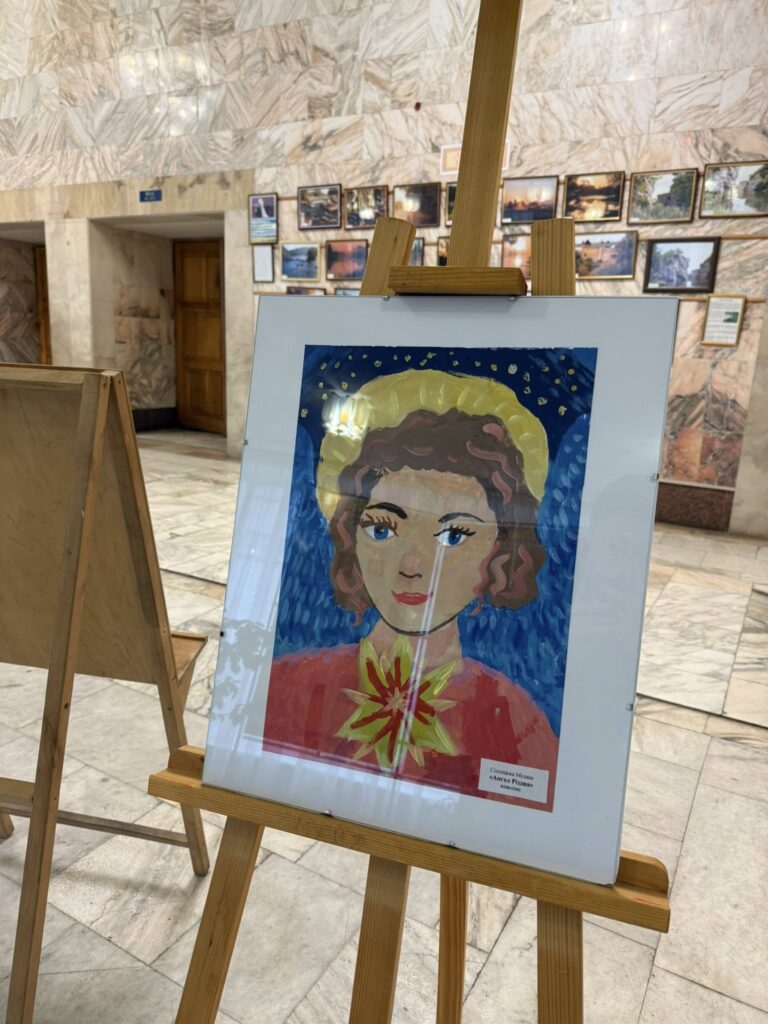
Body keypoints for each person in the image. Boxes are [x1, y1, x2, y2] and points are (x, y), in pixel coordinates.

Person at [263, 368, 559, 810]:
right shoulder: (285, 687)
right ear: (351, 535)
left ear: (501, 551)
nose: (412, 566)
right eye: (383, 529)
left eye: (453, 536)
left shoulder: (513, 722)